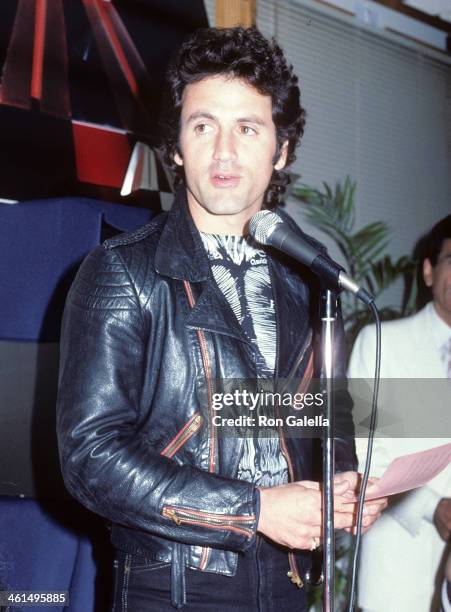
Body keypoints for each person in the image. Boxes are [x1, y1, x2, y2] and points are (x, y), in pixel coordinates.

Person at [57, 27, 385, 611]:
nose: (224, 152)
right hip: (176, 586)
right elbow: (90, 457)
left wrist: (342, 486)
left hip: (288, 584)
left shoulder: (306, 281)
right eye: (204, 126)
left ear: (281, 149)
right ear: (178, 146)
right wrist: (256, 510)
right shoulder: (124, 272)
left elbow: (312, 421)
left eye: (248, 129)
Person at [348, 214, 451, 612]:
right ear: (428, 271)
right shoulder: (381, 343)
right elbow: (363, 455)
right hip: (397, 576)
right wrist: (432, 506)